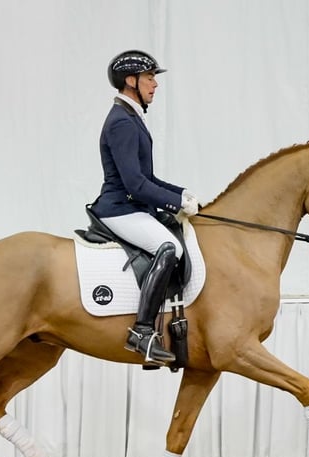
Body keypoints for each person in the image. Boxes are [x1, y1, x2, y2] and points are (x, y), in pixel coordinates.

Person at [90, 50, 199, 366]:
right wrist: (175, 202)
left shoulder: (131, 116)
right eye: (150, 77)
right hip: (119, 208)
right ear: (131, 81)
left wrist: (181, 193)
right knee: (169, 248)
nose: (155, 84)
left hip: (133, 206)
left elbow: (147, 178)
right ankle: (142, 332)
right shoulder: (121, 122)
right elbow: (135, 185)